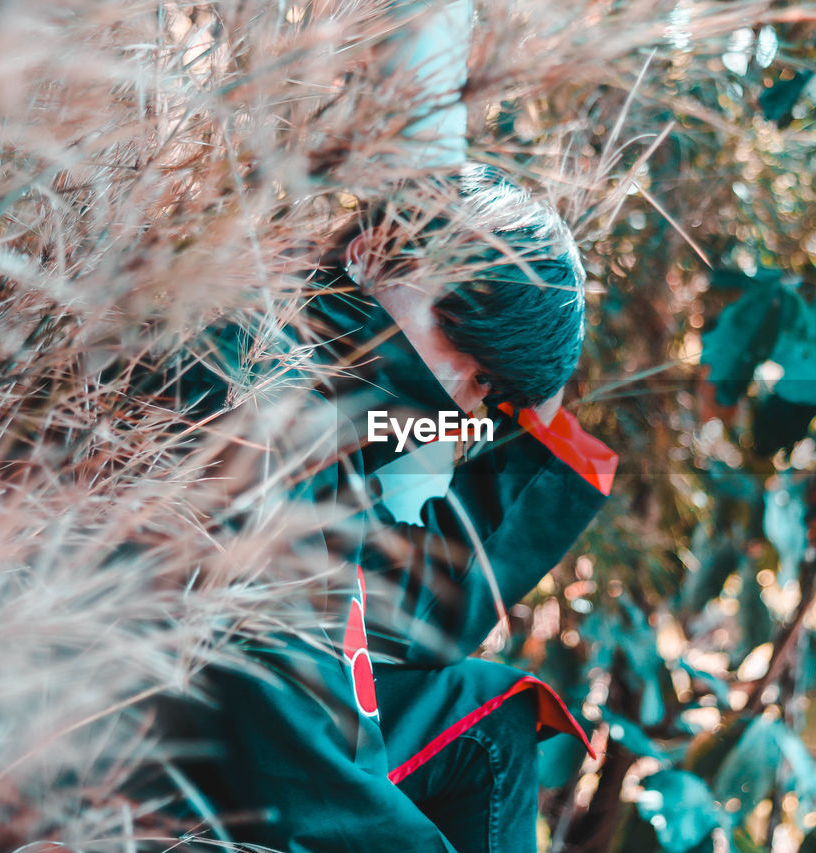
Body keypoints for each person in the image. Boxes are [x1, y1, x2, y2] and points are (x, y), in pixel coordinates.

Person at [142, 3, 618, 852]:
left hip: (248, 738)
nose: (465, 404)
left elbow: (417, 615)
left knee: (492, 719)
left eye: (485, 391)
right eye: (468, 360)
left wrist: (536, 422)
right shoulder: (263, 384)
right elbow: (284, 743)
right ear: (376, 253)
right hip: (161, 759)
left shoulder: (348, 404)